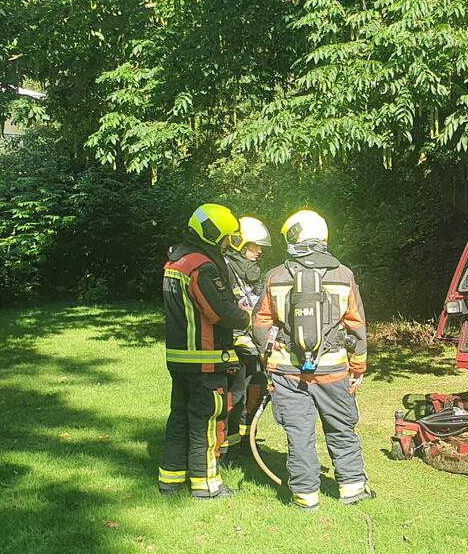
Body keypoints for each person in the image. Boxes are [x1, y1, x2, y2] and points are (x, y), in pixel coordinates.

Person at [252, 210, 372, 511]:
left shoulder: (275, 276)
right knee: (341, 428)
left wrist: (269, 356)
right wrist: (357, 368)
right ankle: (353, 488)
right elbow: (357, 327)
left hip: (288, 372)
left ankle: (305, 496)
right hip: (333, 371)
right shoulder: (343, 275)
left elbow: (260, 324)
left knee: (299, 434)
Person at [158, 204, 251, 500]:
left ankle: (170, 480)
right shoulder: (201, 266)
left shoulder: (177, 260)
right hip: (205, 360)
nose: (226, 244)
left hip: (180, 358)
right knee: (208, 422)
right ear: (213, 234)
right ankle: (206, 485)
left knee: (180, 418)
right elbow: (220, 312)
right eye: (225, 238)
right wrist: (245, 316)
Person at [220, 216, 272, 463]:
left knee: (257, 391)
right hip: (230, 345)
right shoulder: (223, 268)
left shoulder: (253, 272)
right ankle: (227, 448)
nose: (259, 252)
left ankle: (246, 442)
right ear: (238, 242)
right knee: (235, 396)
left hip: (254, 344)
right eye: (255, 246)